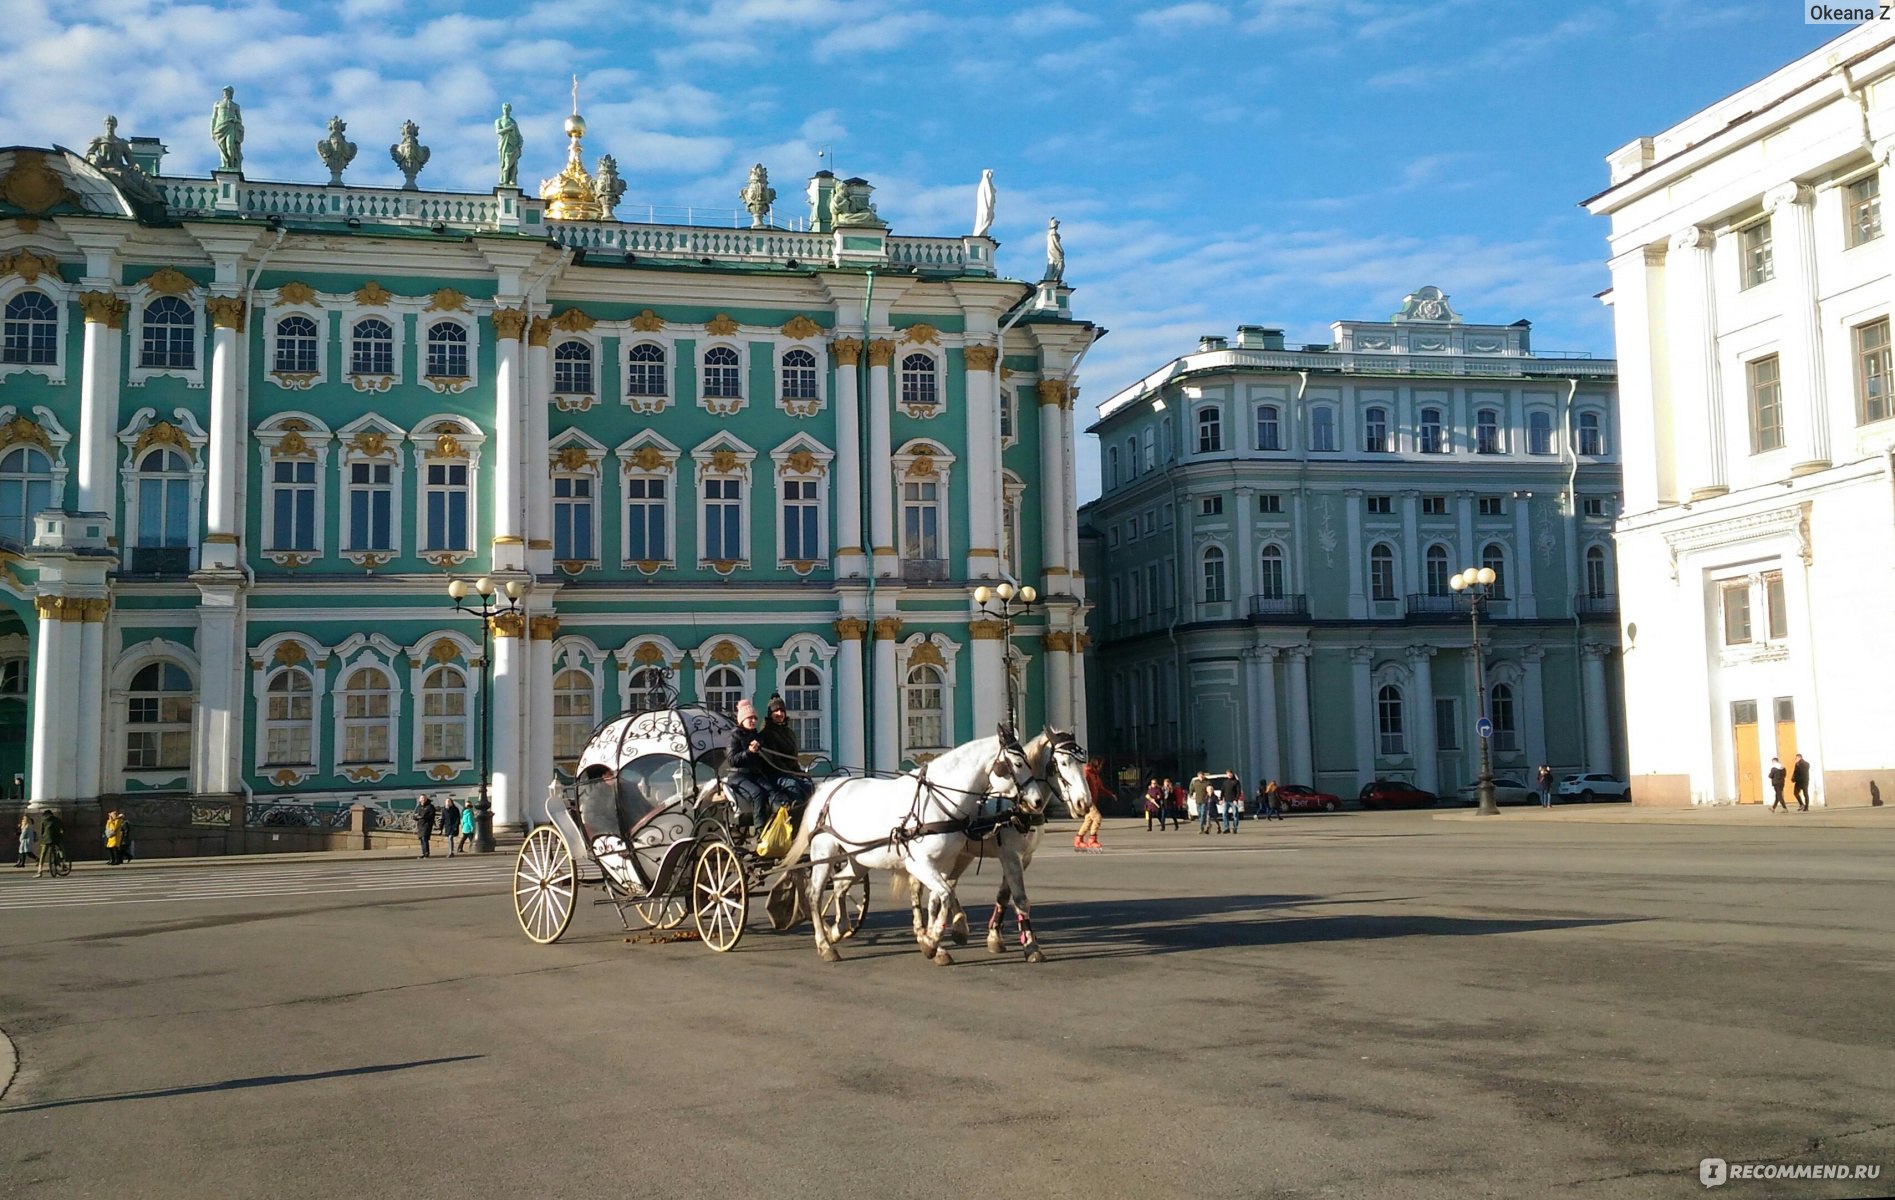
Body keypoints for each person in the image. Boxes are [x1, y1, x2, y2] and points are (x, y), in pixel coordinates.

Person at [211, 86, 244, 172]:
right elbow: (213, 118)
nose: (226, 93)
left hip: (230, 126)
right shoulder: (217, 104)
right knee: (222, 147)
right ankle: (224, 164)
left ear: (231, 94)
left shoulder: (235, 106)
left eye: (229, 92)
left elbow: (240, 119)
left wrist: (235, 120)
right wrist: (212, 131)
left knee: (230, 146)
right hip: (220, 127)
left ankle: (232, 166)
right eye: (225, 91)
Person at [495, 103, 522, 188]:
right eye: (504, 109)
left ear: (510, 110)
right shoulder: (499, 121)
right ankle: (504, 180)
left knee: (513, 164)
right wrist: (508, 129)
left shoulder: (513, 122)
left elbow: (518, 135)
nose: (506, 110)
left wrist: (520, 142)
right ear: (502, 110)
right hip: (504, 144)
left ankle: (512, 180)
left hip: (514, 145)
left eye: (507, 109)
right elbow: (498, 131)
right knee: (506, 163)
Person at [34, 809, 64, 878]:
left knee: (43, 854)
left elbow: (42, 832)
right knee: (60, 849)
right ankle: (63, 863)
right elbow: (62, 829)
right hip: (56, 839)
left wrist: (42, 838)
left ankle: (39, 871)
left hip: (46, 840)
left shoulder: (44, 821)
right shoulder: (57, 820)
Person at [415, 794, 437, 858]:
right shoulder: (418, 807)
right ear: (419, 799)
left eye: (424, 798)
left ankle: (426, 852)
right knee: (421, 839)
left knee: (425, 838)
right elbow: (415, 815)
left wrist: (423, 817)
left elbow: (432, 815)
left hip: (427, 825)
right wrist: (416, 817)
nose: (423, 800)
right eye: (421, 798)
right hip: (420, 825)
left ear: (426, 799)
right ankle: (423, 852)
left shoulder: (430, 806)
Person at [1191, 771, 1212, 835]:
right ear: (1198, 776)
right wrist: (1191, 794)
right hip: (1198, 800)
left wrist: (1209, 795)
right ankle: (1207, 824)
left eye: (1202, 775)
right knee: (1200, 814)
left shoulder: (1207, 782)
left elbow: (1210, 790)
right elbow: (1192, 789)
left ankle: (1201, 828)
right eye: (1200, 776)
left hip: (1204, 801)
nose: (1201, 777)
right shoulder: (1195, 782)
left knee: (1203, 814)